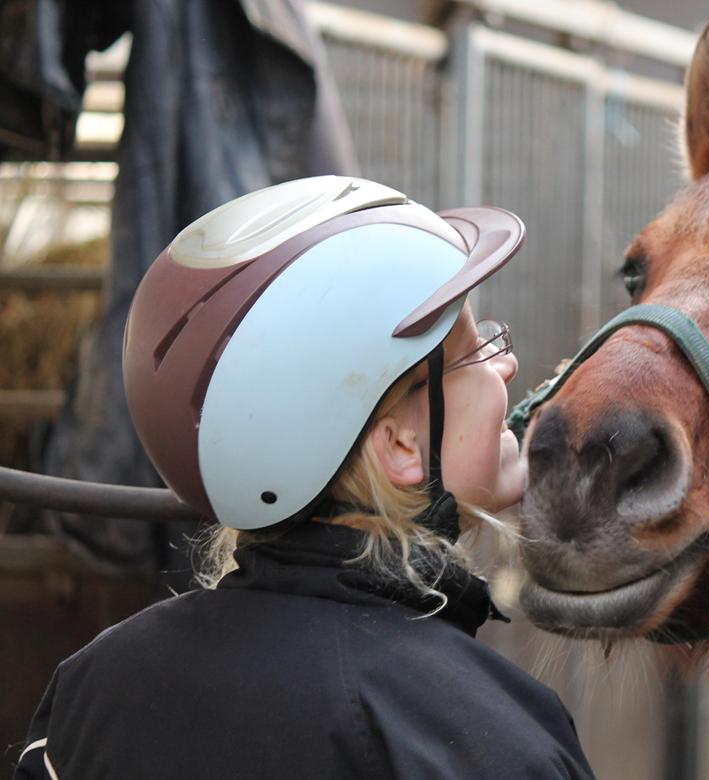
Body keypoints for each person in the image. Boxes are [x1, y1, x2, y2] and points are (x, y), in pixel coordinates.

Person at [15, 176, 595, 779]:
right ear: (399, 444)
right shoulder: (490, 738)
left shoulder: (90, 692)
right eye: (474, 353)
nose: (508, 365)